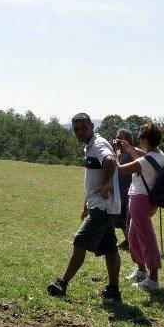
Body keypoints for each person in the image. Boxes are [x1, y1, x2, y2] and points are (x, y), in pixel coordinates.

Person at [47, 113, 123, 301]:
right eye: (76, 130)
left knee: (80, 240)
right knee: (110, 249)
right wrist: (87, 205)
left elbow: (111, 161)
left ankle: (62, 283)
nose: (80, 132)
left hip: (103, 207)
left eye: (83, 128)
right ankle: (114, 290)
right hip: (101, 206)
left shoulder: (97, 144)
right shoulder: (91, 145)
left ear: (92, 126)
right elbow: (94, 177)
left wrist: (106, 184)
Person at [115, 123, 164, 292]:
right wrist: (129, 150)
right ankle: (141, 270)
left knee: (146, 240)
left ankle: (153, 279)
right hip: (145, 201)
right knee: (134, 238)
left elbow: (119, 169)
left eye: (140, 137)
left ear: (145, 139)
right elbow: (143, 157)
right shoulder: (159, 155)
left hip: (140, 201)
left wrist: (116, 154)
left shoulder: (144, 161)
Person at [114, 129, 134, 251]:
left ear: (128, 140)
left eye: (120, 137)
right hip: (117, 190)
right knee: (119, 219)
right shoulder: (118, 153)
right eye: (117, 137)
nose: (118, 140)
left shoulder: (132, 153)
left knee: (126, 219)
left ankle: (130, 241)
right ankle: (128, 240)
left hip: (128, 191)